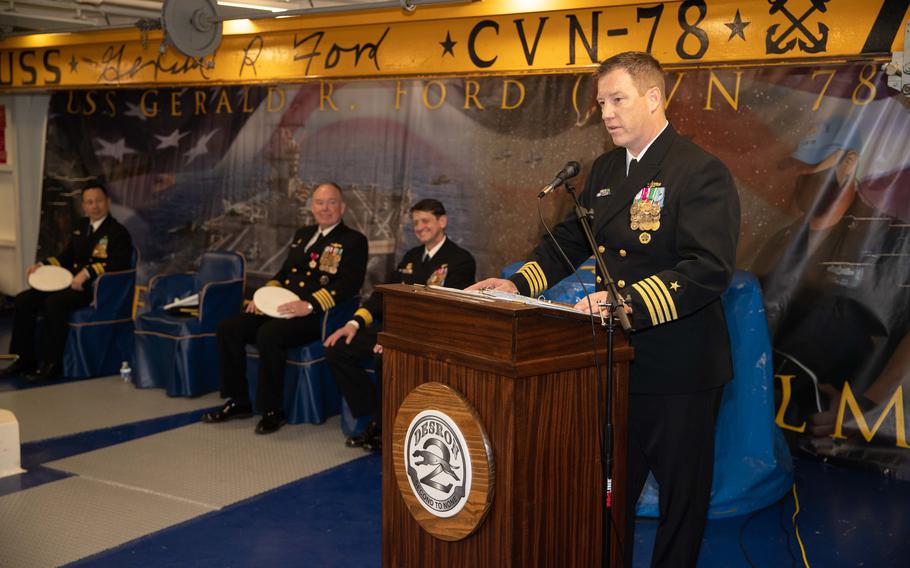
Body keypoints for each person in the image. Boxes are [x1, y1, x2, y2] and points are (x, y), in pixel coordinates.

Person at [470, 52, 740, 567]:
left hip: (680, 365)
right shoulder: (606, 170)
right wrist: (517, 285)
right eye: (601, 103)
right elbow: (570, 240)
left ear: (654, 98)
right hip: (616, 361)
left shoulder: (700, 172)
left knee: (681, 503)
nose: (607, 113)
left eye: (618, 99)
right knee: (609, 491)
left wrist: (628, 302)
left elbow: (707, 268)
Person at [753, 117, 910, 445]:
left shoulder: (890, 238)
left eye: (812, 165)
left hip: (862, 443)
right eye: (797, 166)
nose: (802, 176)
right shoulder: (780, 241)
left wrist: (864, 406)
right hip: (779, 432)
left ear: (849, 163)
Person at [203, 183, 368, 435]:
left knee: (269, 334)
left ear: (342, 207)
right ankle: (238, 401)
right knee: (229, 328)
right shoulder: (302, 234)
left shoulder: (353, 241)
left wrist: (310, 305)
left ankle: (272, 409)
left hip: (316, 316)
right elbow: (283, 273)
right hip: (280, 307)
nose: (325, 208)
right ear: (312, 207)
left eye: (331, 202)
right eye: (320, 203)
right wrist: (262, 297)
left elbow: (349, 286)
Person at [323, 198, 476, 452]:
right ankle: (373, 414)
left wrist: (396, 338)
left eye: (425, 221)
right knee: (338, 347)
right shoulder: (411, 257)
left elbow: (445, 312)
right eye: (416, 222)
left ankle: (384, 429)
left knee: (387, 357)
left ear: (442, 222)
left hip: (429, 336)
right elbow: (382, 296)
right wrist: (354, 323)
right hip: (394, 332)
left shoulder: (461, 260)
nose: (419, 227)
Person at [1, 183, 133, 382]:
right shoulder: (80, 227)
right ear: (83, 206)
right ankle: (23, 359)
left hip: (93, 289)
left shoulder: (117, 232)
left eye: (99, 201)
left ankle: (52, 363)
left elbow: (118, 263)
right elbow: (66, 256)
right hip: (69, 283)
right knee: (24, 300)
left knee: (54, 303)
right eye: (90, 202)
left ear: (108, 202)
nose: (95, 206)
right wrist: (42, 264)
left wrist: (87, 273)